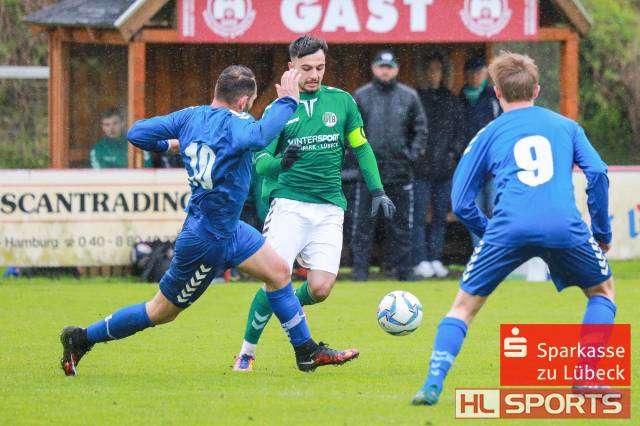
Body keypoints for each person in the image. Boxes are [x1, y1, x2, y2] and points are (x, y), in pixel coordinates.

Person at [59, 65, 359, 376]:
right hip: (206, 241)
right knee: (160, 311)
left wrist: (169, 144)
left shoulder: (191, 117)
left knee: (279, 273)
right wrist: (289, 102)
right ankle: (82, 338)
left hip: (229, 229)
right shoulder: (238, 124)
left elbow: (137, 133)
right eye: (251, 103)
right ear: (243, 102)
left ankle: (306, 351)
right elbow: (260, 136)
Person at [412, 52, 614, 405]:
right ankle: (585, 377)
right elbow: (597, 173)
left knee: (463, 307)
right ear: (536, 90)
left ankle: (432, 383)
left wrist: (488, 231)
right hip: (563, 226)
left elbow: (461, 201)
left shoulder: (488, 134)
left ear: (496, 92)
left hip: (508, 228)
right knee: (602, 292)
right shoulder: (566, 126)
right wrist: (601, 233)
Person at [233, 36, 394, 372]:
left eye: (320, 67)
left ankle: (286, 305)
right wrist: (282, 163)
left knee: (320, 289)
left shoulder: (342, 102)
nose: (314, 74)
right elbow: (260, 163)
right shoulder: (278, 111)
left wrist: (378, 191)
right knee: (276, 277)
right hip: (289, 205)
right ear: (291, 67)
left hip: (330, 207)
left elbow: (361, 148)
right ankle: (246, 352)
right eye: (306, 68)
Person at [351, 50, 428, 281]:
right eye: (381, 67)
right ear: (374, 68)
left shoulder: (409, 96)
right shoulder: (361, 96)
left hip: (400, 173)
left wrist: (411, 156)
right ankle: (360, 273)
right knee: (363, 226)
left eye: (389, 67)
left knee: (402, 226)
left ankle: (404, 272)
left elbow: (421, 130)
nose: (385, 71)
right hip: (369, 176)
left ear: (396, 69)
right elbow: (350, 130)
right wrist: (359, 159)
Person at [413, 53, 466, 279]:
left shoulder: (451, 100)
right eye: (430, 70)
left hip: (445, 170)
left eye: (438, 70)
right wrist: (416, 154)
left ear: (443, 73)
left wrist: (453, 154)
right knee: (418, 216)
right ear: (425, 73)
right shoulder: (416, 99)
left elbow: (460, 132)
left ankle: (435, 258)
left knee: (440, 217)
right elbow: (411, 130)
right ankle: (420, 259)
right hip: (421, 170)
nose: (434, 74)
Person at [459, 57, 502, 245]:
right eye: (472, 73)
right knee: (474, 213)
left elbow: (502, 130)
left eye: (480, 73)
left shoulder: (494, 97)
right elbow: (457, 134)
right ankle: (481, 252)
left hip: (493, 168)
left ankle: (498, 251)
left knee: (496, 209)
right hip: (470, 169)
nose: (476, 77)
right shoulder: (459, 100)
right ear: (466, 75)